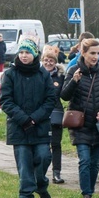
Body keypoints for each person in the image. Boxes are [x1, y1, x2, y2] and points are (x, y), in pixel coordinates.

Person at [0, 38, 57, 198]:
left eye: (27, 52)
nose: (24, 56)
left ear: (34, 54)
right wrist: (24, 119)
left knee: (44, 156)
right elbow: (6, 101)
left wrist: (34, 118)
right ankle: (26, 196)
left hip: (40, 126)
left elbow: (50, 100)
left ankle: (40, 184)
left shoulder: (43, 74)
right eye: (21, 52)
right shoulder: (10, 74)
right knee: (24, 163)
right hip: (19, 127)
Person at [60, 38, 99, 198]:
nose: (96, 57)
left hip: (98, 125)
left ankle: (90, 191)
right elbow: (64, 96)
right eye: (92, 53)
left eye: (98, 53)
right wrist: (74, 81)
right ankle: (87, 195)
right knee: (84, 160)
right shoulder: (73, 70)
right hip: (80, 124)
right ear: (83, 53)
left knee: (95, 163)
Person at [41, 46, 66, 184]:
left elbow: (65, 94)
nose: (48, 63)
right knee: (43, 145)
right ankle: (41, 171)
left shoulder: (61, 76)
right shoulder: (37, 74)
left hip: (56, 112)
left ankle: (57, 172)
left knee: (56, 144)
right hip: (41, 113)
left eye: (51, 60)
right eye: (46, 60)